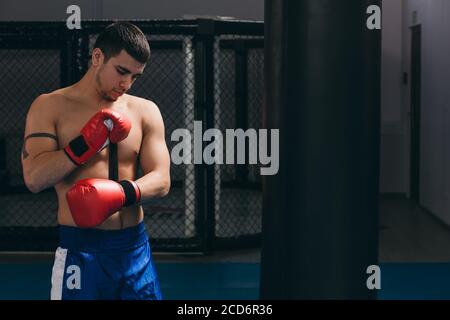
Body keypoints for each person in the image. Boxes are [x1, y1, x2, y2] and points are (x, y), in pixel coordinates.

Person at [21, 22, 171, 300]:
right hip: (82, 251)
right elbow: (34, 178)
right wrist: (83, 146)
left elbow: (162, 180)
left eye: (135, 77)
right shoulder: (49, 106)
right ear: (98, 57)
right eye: (121, 71)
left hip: (135, 250)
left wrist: (121, 194)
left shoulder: (145, 111)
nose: (126, 84)